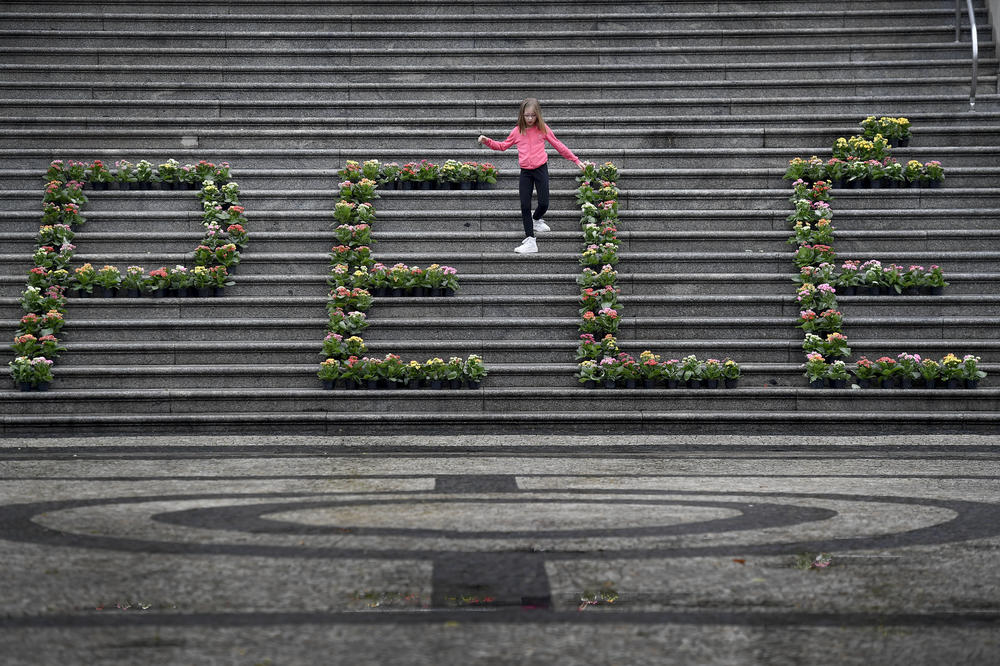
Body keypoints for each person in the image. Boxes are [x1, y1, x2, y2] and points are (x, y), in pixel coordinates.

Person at [478, 98, 585, 253]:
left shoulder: (543, 129)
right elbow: (502, 146)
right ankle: (530, 240)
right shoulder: (517, 131)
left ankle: (536, 220)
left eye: (532, 116)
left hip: (541, 168)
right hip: (526, 172)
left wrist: (576, 160)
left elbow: (558, 145)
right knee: (525, 205)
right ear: (522, 115)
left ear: (537, 116)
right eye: (527, 115)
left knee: (544, 203)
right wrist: (487, 141)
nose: (529, 119)